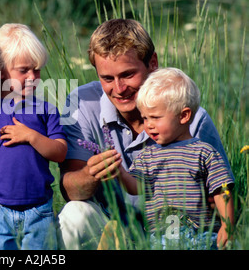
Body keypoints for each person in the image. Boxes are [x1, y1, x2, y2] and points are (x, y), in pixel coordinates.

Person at [57, 18, 234, 250]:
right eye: (107, 79)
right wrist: (91, 174)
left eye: (128, 75)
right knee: (74, 215)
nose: (119, 89)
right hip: (109, 227)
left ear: (153, 63)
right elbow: (69, 189)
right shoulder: (80, 102)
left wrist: (225, 221)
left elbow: (222, 191)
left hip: (182, 233)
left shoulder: (191, 118)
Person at [0, 23, 67, 250]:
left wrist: (31, 136)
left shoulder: (45, 110)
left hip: (39, 209)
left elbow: (60, 152)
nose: (32, 77)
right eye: (24, 70)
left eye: (37, 70)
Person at [114, 67, 234, 249]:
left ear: (184, 116)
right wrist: (119, 171)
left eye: (155, 117)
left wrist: (227, 224)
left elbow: (221, 189)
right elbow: (136, 187)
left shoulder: (203, 152)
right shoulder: (148, 155)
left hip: (200, 235)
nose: (149, 125)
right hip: (160, 237)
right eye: (145, 118)